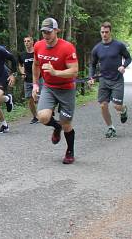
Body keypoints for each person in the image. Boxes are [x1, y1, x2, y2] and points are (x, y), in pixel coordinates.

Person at [32, 17, 79, 164]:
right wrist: (35, 84)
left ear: (57, 31)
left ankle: (70, 150)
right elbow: (36, 65)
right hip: (49, 87)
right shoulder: (38, 46)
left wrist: (56, 72)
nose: (46, 35)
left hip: (66, 89)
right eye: (43, 32)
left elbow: (74, 71)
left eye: (49, 32)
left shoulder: (67, 47)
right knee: (43, 117)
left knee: (66, 124)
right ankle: (56, 126)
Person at [88, 22, 132, 138]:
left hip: (117, 80)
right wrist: (91, 77)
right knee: (103, 105)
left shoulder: (118, 45)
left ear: (110, 32)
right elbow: (92, 64)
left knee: (117, 106)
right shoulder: (97, 48)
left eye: (106, 32)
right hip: (104, 80)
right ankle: (110, 127)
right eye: (102, 32)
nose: (104, 34)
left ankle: (123, 110)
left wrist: (123, 66)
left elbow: (128, 58)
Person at [19, 36, 39, 124]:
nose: (26, 43)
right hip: (27, 80)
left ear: (32, 42)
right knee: (30, 99)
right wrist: (22, 73)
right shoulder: (22, 55)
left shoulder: (37, 53)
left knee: (40, 98)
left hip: (39, 79)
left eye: (28, 41)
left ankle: (46, 113)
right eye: (25, 41)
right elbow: (20, 65)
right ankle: (35, 117)